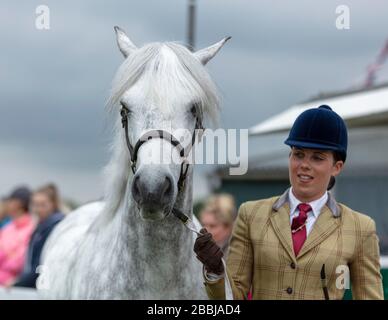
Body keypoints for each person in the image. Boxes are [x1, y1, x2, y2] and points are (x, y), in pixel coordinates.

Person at [194, 105, 384, 300]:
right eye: (298, 154)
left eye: (317, 158)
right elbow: (232, 299)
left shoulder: (360, 228)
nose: (304, 165)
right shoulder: (250, 215)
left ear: (337, 167)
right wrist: (216, 271)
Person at [13, 184, 64, 288]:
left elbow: (40, 266)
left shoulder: (54, 228)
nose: (38, 209)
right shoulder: (42, 226)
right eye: (35, 205)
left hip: (45, 287)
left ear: (53, 204)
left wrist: (18, 284)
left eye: (43, 205)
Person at [0, 186, 35, 286]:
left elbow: (20, 261)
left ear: (18, 203)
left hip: (12, 284)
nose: (7, 204)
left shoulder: (31, 229)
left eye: (10, 201)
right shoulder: (8, 227)